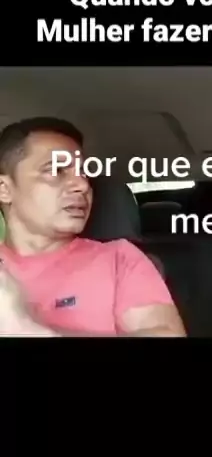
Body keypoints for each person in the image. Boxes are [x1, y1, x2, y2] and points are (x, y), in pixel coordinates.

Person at [0, 117, 185, 336]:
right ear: (4, 189)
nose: (82, 185)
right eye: (56, 171)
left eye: (83, 173)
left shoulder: (119, 259)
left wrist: (30, 330)